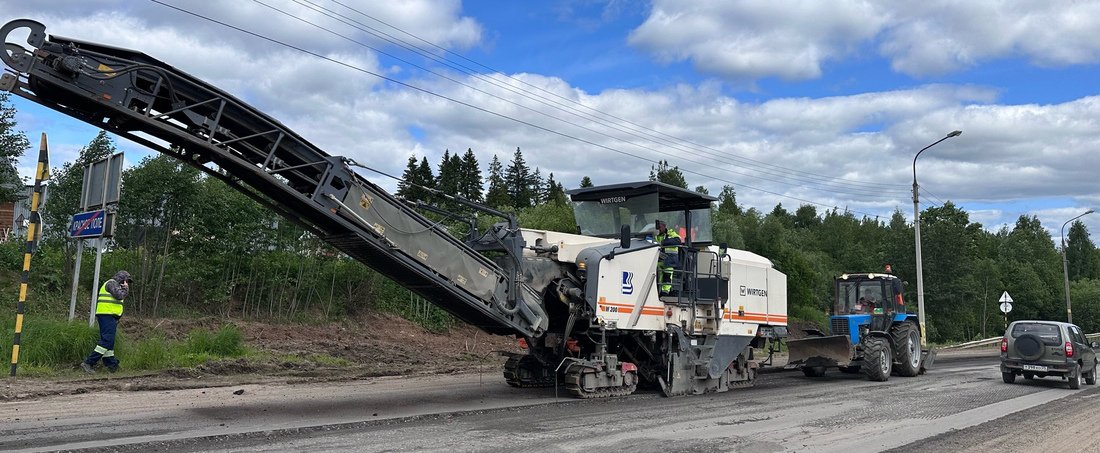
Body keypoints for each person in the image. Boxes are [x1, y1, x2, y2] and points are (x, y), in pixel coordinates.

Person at [81, 270, 131, 373]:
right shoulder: (111, 283)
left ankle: (111, 365)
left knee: (110, 342)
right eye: (126, 281)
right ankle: (89, 362)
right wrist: (126, 288)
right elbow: (119, 296)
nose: (127, 283)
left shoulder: (115, 285)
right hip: (106, 315)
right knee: (107, 340)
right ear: (121, 279)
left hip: (110, 316)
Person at [654, 220, 682, 294]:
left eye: (659, 227)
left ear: (664, 226)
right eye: (657, 228)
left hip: (670, 260)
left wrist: (663, 242)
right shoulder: (656, 235)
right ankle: (658, 291)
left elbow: (678, 240)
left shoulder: (671, 233)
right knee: (657, 275)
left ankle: (665, 291)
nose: (658, 229)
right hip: (659, 260)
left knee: (667, 274)